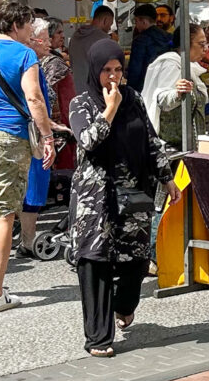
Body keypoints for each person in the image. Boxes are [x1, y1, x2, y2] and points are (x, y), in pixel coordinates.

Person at [68, 39, 181, 356]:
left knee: (137, 260)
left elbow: (151, 140)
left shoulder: (133, 98)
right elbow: (89, 141)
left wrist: (167, 178)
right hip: (95, 198)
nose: (113, 77)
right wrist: (110, 108)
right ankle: (98, 338)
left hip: (133, 192)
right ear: (95, 70)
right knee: (95, 262)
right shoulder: (81, 104)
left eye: (118, 69)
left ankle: (124, 304)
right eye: (106, 70)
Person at [0, 0, 65, 312]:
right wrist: (47, 136)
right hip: (7, 137)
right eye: (30, 26)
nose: (32, 32)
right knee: (3, 213)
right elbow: (34, 97)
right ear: (17, 26)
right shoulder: (24, 54)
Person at [18, 18, 58, 257]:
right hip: (34, 133)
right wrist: (48, 133)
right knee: (34, 186)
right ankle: (28, 240)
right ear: (32, 40)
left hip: (27, 129)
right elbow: (35, 101)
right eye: (44, 38)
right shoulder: (30, 65)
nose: (49, 43)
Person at [141, 25, 209, 150]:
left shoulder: (189, 67)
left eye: (206, 44)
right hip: (173, 147)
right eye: (201, 44)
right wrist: (177, 93)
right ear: (186, 44)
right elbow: (160, 98)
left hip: (189, 144)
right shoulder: (171, 65)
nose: (205, 49)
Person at [41, 18, 78, 172]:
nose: (63, 36)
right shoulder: (55, 64)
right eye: (59, 33)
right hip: (60, 121)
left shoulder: (44, 60)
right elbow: (61, 96)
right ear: (48, 37)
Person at [126, 3, 173, 93]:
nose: (136, 25)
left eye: (136, 22)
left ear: (144, 22)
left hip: (144, 86)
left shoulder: (140, 40)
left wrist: (130, 90)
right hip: (164, 83)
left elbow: (135, 68)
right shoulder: (168, 37)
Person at [69, 6, 115, 93]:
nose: (109, 28)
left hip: (77, 90)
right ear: (105, 20)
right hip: (96, 93)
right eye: (110, 24)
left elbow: (71, 62)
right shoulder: (103, 40)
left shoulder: (75, 36)